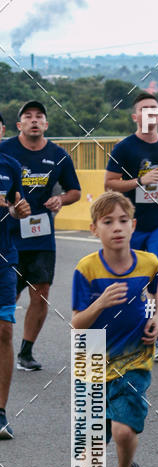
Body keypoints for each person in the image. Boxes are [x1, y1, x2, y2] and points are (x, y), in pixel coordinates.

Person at [71, 191, 158, 467]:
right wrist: (100, 304)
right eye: (108, 222)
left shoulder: (148, 263)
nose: (117, 228)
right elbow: (77, 323)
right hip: (92, 359)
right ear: (94, 229)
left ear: (133, 225)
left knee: (124, 432)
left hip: (134, 358)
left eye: (123, 220)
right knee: (91, 448)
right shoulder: (86, 269)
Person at [104, 91, 158, 362]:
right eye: (144, 109)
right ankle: (123, 331)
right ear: (135, 117)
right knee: (131, 281)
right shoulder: (125, 148)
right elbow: (110, 183)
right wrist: (139, 181)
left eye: (154, 108)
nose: (150, 113)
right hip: (131, 224)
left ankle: (156, 336)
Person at [2, 100, 81, 371]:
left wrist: (61, 199)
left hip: (41, 235)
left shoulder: (58, 155)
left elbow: (75, 191)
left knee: (41, 291)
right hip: (8, 235)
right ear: (19, 124)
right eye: (28, 116)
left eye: (39, 116)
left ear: (46, 124)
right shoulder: (5, 151)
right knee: (7, 296)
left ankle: (26, 352)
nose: (34, 120)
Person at [0, 150, 31, 437]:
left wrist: (17, 212)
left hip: (4, 258)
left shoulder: (10, 166)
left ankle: (0, 413)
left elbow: (16, 208)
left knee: (4, 331)